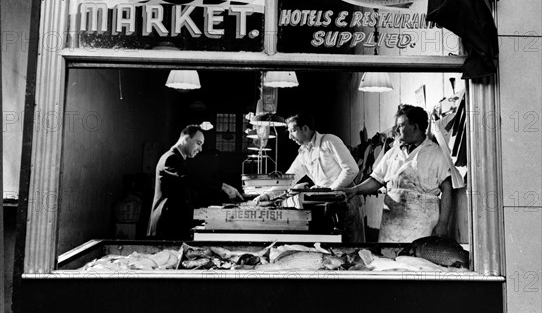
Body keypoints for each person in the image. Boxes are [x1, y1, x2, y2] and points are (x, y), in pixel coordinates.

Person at [344, 104, 453, 243]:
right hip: (391, 227)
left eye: (401, 125)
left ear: (415, 126)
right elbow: (376, 180)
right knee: (389, 262)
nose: (396, 129)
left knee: (417, 263)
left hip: (421, 227)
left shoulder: (436, 153)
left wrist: (443, 223)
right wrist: (356, 189)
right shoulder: (393, 153)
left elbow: (447, 189)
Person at [255, 113, 364, 242]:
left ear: (305, 128)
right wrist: (268, 195)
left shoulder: (329, 141)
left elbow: (351, 169)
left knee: (353, 246)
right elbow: (289, 179)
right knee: (334, 250)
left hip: (346, 201)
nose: (290, 137)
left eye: (293, 131)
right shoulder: (303, 153)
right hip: (327, 203)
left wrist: (330, 192)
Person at [147, 124, 243, 240]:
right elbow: (191, 179)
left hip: (174, 225)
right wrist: (223, 186)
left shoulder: (179, 159)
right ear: (185, 138)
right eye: (198, 143)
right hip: (166, 226)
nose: (200, 149)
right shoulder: (170, 159)